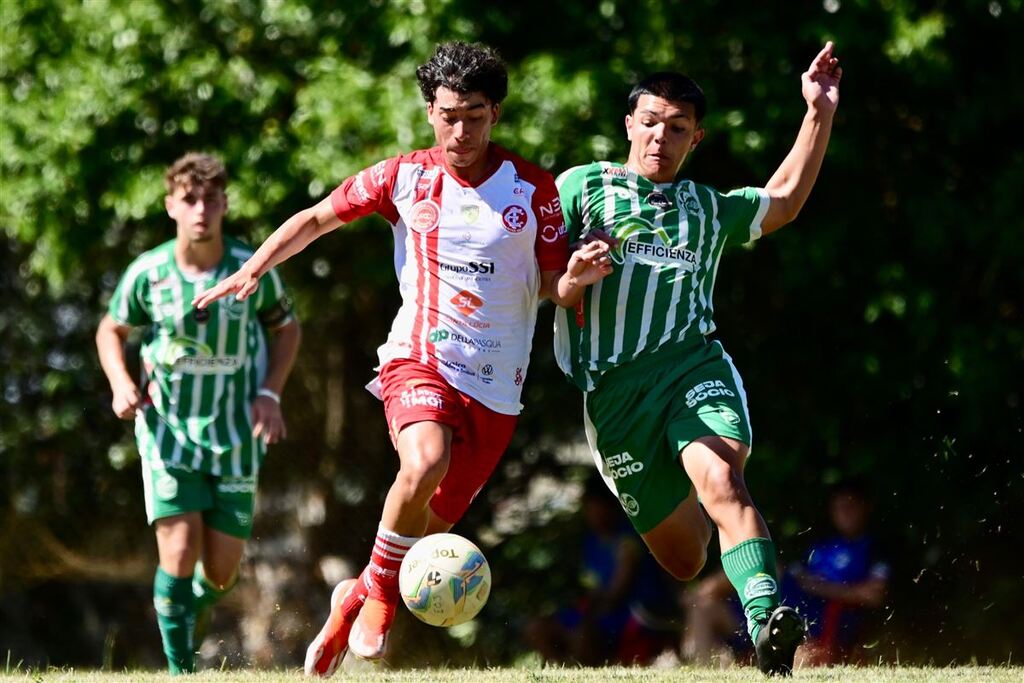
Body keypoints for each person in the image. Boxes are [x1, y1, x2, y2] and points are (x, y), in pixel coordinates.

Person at [191, 42, 612, 675]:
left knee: (421, 526)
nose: (459, 130)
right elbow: (314, 218)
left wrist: (577, 275)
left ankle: (351, 599)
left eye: (473, 114)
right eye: (447, 114)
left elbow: (554, 287)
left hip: (497, 387)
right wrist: (253, 268)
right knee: (424, 460)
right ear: (428, 111)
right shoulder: (404, 176)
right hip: (419, 358)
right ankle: (381, 595)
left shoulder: (535, 189)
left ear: (495, 113)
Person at [553, 42, 842, 676]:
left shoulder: (707, 209)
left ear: (696, 138)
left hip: (692, 371)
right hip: (614, 397)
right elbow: (538, 279)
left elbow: (785, 199)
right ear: (629, 124)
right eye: (651, 122)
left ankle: (767, 624)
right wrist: (572, 281)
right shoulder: (579, 187)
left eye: (677, 128)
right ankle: (707, 513)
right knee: (685, 558)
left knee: (722, 480)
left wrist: (817, 112)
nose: (661, 136)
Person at [95, 152, 302, 674]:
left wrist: (270, 394)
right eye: (189, 200)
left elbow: (287, 327)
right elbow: (110, 329)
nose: (201, 209)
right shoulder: (149, 273)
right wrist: (121, 383)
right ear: (171, 206)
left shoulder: (250, 269)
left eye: (211, 199)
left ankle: (188, 619)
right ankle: (180, 670)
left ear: (225, 203)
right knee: (179, 549)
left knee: (221, 574)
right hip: (167, 434)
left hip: (235, 436)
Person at [525, 474, 680, 666]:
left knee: (583, 636)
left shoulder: (629, 537)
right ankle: (560, 670)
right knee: (538, 629)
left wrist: (592, 613)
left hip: (634, 612)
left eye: (597, 506)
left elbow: (618, 588)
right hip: (597, 608)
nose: (593, 514)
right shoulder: (590, 542)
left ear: (611, 506)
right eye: (589, 507)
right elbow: (592, 587)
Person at [783, 480, 889, 665]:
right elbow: (794, 574)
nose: (844, 514)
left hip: (834, 618)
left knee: (800, 639)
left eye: (850, 506)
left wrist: (818, 587)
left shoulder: (874, 548)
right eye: (838, 508)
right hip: (795, 607)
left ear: (865, 508)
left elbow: (873, 595)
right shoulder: (819, 544)